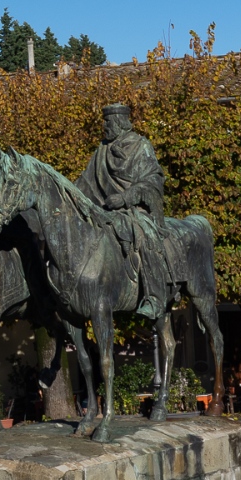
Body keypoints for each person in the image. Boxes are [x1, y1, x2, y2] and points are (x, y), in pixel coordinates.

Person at [74, 104, 168, 320]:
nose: (104, 126)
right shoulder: (102, 150)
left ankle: (154, 298)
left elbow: (153, 179)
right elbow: (84, 183)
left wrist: (126, 197)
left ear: (119, 121)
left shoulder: (141, 146)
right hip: (105, 212)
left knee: (145, 238)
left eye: (108, 122)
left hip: (135, 211)